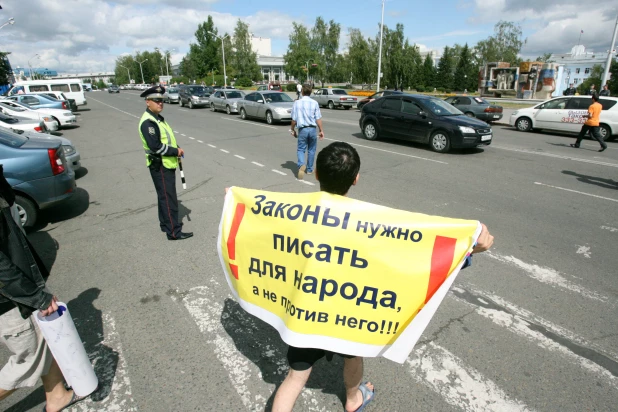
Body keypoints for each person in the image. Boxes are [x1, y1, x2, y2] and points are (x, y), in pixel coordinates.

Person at [271, 142, 495, 412]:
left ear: (316, 173)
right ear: (356, 178)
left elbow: (259, 228)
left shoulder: (295, 216)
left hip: (305, 312)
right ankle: (353, 399)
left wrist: (233, 205)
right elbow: (413, 259)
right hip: (347, 314)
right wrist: (468, 252)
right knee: (352, 358)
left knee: (295, 378)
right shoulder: (372, 227)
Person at [0, 165, 89, 412]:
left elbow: (7, 198)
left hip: (14, 289)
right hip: (9, 297)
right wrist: (34, 296)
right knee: (27, 360)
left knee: (43, 340)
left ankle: (57, 396)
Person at [138, 85, 193, 240]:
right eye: (156, 100)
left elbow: (166, 139)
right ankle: (174, 232)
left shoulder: (157, 118)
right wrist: (175, 151)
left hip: (165, 163)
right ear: (147, 102)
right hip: (160, 164)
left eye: (161, 100)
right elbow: (155, 146)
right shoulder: (148, 122)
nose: (160, 103)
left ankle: (165, 224)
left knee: (163, 196)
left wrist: (176, 147)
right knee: (169, 199)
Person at [290, 84, 324, 180]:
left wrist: (292, 129)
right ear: (311, 92)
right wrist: (321, 130)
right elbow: (318, 119)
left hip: (303, 130)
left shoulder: (297, 103)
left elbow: (294, 120)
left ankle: (301, 165)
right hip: (313, 129)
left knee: (301, 149)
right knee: (312, 149)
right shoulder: (315, 103)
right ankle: (309, 169)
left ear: (302, 92)